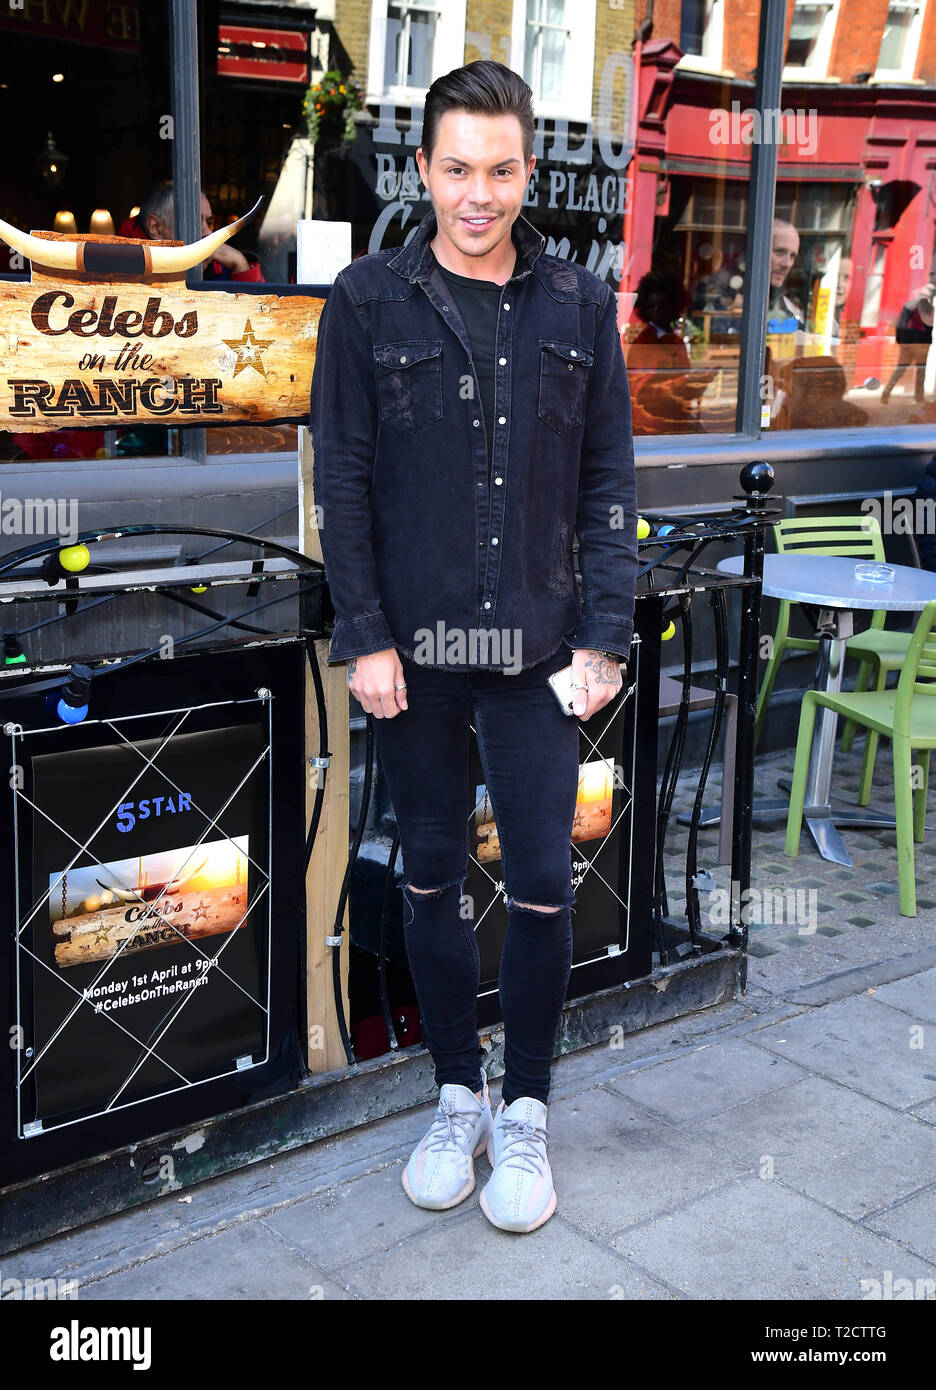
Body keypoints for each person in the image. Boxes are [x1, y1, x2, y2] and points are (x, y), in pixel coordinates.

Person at [309, 60, 637, 1234]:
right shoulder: (364, 301)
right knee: (430, 879)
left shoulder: (581, 305)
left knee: (545, 884)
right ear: (426, 170)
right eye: (458, 169)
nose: (479, 194)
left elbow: (608, 482)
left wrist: (607, 634)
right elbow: (340, 480)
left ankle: (532, 1110)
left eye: (501, 171)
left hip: (543, 657)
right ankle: (459, 1093)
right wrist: (367, 636)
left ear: (528, 171)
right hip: (417, 663)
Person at [132, 181, 264, 281]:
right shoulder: (123, 275)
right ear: (155, 227)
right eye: (194, 223)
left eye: (209, 222)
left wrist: (241, 265)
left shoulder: (219, 264)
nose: (208, 233)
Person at [882, 284, 934, 405]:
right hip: (913, 344)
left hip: (918, 344)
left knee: (917, 371)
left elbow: (928, 327)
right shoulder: (913, 306)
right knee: (904, 370)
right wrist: (902, 341)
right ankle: (888, 392)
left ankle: (917, 397)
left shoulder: (927, 309)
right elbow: (901, 324)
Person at [766, 218, 805, 331]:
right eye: (780, 252)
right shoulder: (731, 298)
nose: (787, 264)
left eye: (792, 256)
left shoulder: (791, 304)